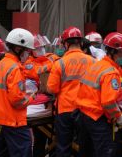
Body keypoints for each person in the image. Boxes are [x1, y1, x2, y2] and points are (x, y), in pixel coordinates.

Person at [76, 32, 122, 157]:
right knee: (105, 152)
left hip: (84, 116)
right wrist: (118, 117)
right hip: (98, 119)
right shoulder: (111, 73)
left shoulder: (97, 65)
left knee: (86, 152)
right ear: (113, 52)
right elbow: (108, 102)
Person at [47, 26, 96, 156]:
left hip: (65, 110)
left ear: (66, 44)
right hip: (86, 110)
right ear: (80, 42)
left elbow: (52, 88)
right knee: (85, 147)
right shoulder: (93, 62)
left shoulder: (60, 63)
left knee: (63, 146)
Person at [0, 28, 36, 156]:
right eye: (27, 50)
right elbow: (18, 101)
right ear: (18, 48)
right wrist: (32, 96)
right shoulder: (15, 69)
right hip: (14, 122)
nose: (28, 54)